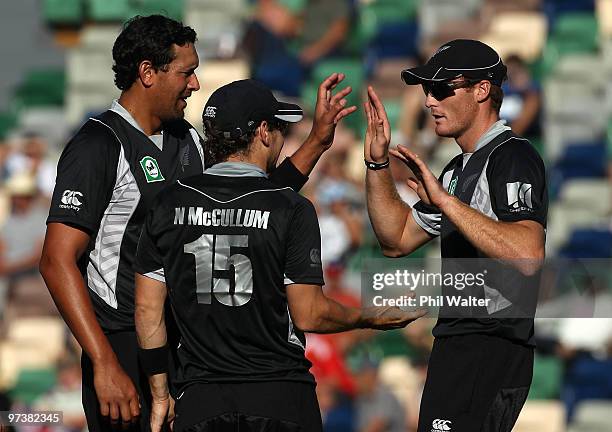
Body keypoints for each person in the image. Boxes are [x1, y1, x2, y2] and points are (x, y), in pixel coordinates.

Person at [39, 14, 357, 432]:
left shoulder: (187, 138)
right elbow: (56, 261)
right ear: (147, 73)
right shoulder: (99, 144)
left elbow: (249, 203)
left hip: (184, 349)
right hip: (123, 345)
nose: (194, 84)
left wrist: (316, 140)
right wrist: (104, 362)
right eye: (186, 72)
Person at [133, 79, 426, 432]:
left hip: (199, 398)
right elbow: (310, 315)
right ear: (263, 133)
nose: (283, 137)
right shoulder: (291, 208)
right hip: (279, 396)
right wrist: (369, 318)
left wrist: (161, 392)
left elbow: (148, 310)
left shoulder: (166, 204)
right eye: (280, 128)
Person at [363, 39, 548, 432]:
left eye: (443, 88)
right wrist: (376, 163)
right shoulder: (454, 169)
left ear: (482, 90)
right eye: (427, 90)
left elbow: (528, 254)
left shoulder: (513, 155)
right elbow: (396, 239)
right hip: (458, 343)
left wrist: (446, 203)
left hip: (491, 345)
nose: (430, 100)